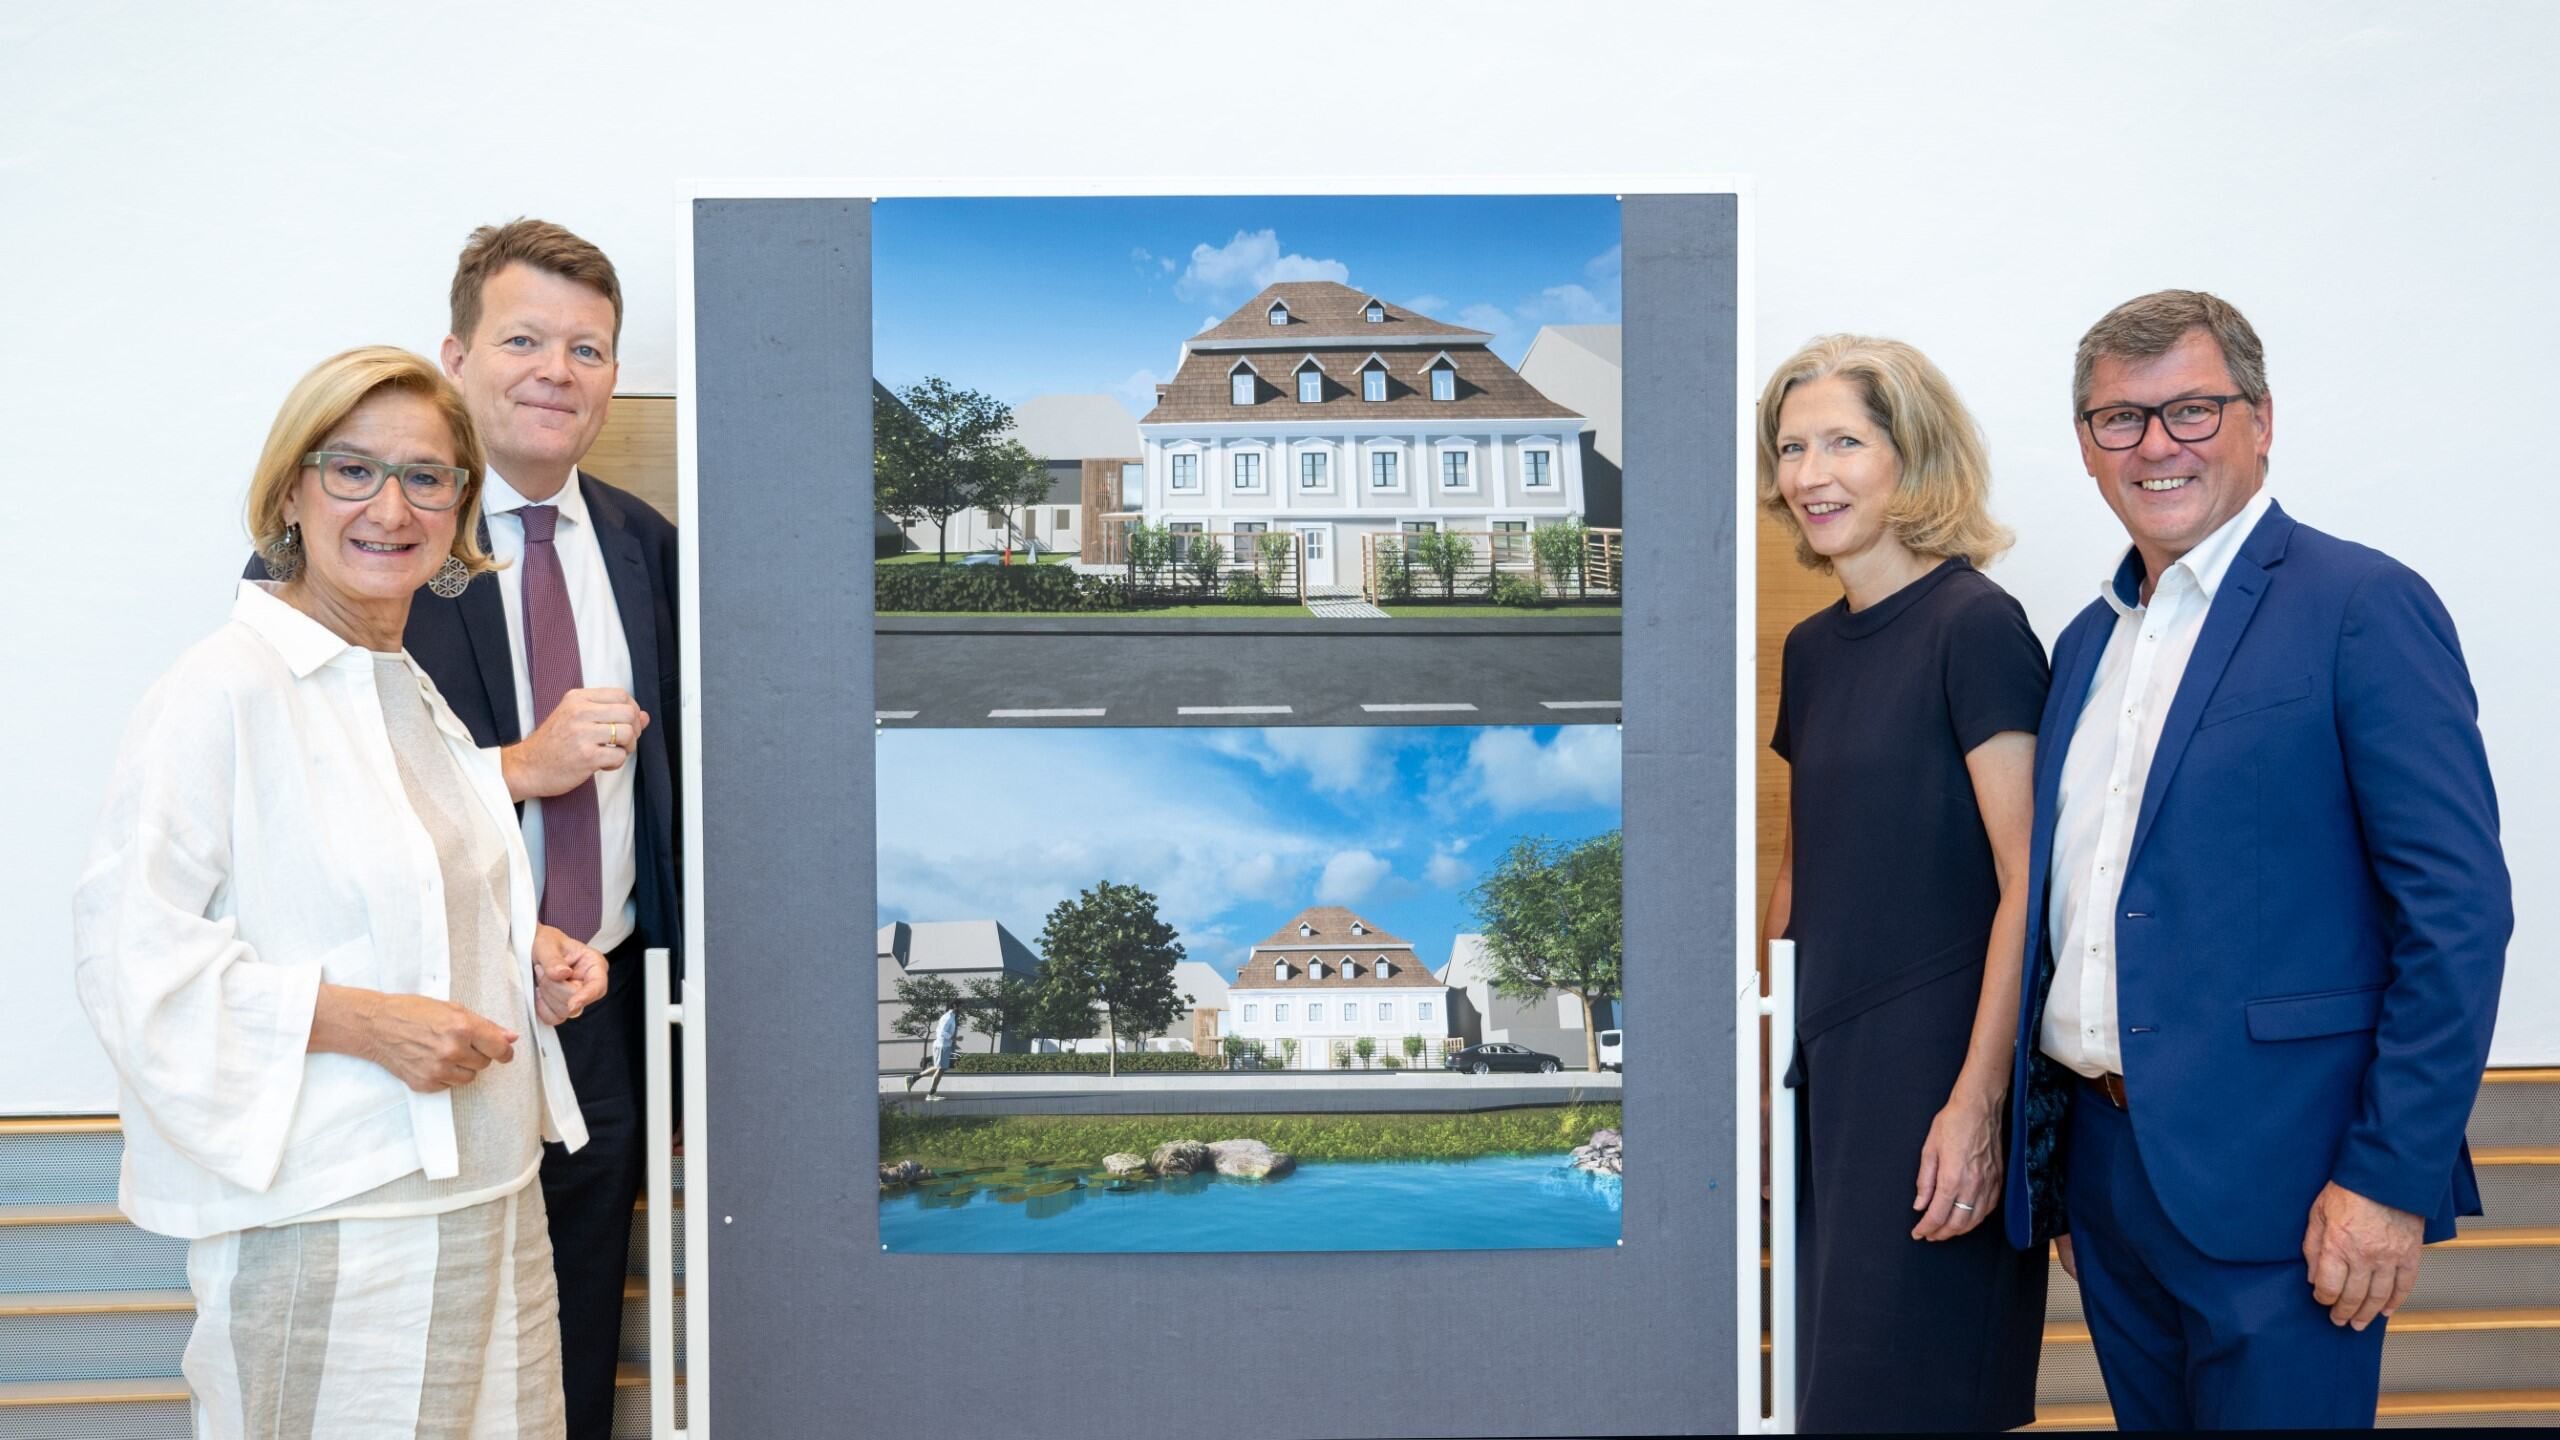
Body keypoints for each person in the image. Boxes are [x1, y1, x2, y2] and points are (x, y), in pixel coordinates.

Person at [75, 347, 610, 1437]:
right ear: (290, 492)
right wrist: (366, 1025)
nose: (391, 506)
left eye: (426, 476)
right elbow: (131, 958)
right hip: (333, 1224)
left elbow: (399, 899)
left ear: (460, 506)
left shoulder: (404, 684)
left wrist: (528, 953)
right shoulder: (221, 690)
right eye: (352, 469)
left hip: (485, 1203)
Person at [2003, 290, 2509, 1430]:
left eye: (2191, 409)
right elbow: (2076, 914)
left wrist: (2387, 1179)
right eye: (2118, 421)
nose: (2156, 445)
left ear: (2261, 420)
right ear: (2085, 446)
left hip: (2297, 1184)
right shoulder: (2086, 643)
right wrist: (2062, 1167)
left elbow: (2458, 914)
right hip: (2111, 1171)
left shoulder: (2359, 607)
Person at [246, 219, 679, 1439]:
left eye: (587, 348)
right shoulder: (356, 551)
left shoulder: (654, 549)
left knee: (572, 1337)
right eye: (524, 338)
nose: (556, 370)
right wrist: (521, 770)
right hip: (412, 1024)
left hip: (602, 1009)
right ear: (457, 354)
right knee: (416, 1355)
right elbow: (308, 797)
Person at [1760, 335, 2051, 1431]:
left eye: (1844, 441)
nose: (1810, 474)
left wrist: (1976, 1105)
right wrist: (1765, 1075)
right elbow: (1801, 869)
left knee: (1917, 1394)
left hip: (1932, 1068)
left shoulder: (1975, 627)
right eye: (1792, 448)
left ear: (1912, 458)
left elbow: (2029, 883)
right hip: (1824, 1069)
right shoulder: (1809, 648)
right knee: (1834, 1399)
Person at [906, 1002, 965, 1100]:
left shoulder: (951, 1017)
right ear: (955, 1006)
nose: (962, 1008)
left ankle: (913, 1079)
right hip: (942, 1045)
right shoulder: (948, 1017)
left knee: (939, 1067)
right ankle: (931, 1094)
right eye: (960, 1006)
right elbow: (941, 1032)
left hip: (944, 1046)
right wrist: (955, 1038)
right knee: (940, 1069)